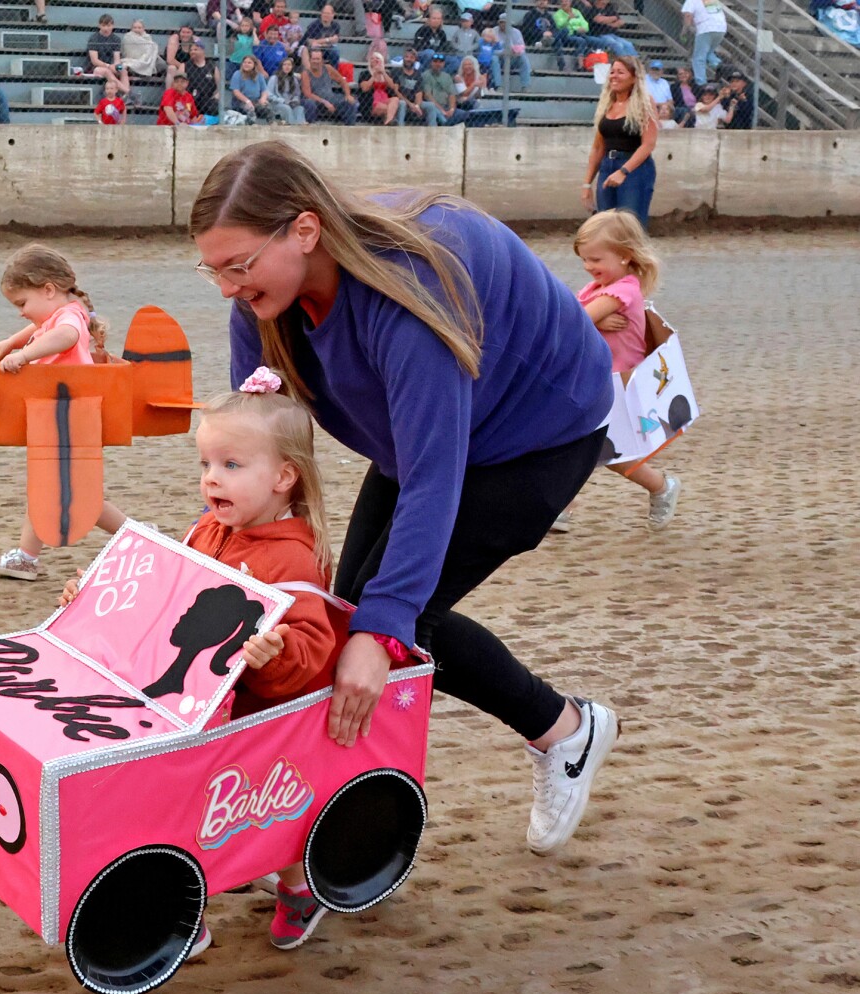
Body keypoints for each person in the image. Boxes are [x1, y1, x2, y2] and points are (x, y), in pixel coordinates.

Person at [190, 140, 621, 857]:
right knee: (336, 618)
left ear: (304, 230)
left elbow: (433, 477)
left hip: (538, 432)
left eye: (239, 266)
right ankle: (323, 828)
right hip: (417, 430)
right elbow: (254, 447)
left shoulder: (407, 292)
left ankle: (566, 732)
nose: (228, 287)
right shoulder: (262, 302)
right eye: (213, 270)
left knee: (388, 625)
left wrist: (380, 631)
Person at [59, 369, 345, 955]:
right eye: (206, 465)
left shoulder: (292, 560)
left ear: (283, 477)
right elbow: (167, 597)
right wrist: (97, 595)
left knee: (276, 811)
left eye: (231, 466)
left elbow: (314, 653)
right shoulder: (209, 530)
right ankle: (188, 910)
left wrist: (276, 652)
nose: (212, 479)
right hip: (195, 708)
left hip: (263, 719)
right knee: (184, 806)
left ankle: (298, 888)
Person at [0, 244, 123, 581]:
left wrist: (26, 356)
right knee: (57, 489)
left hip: (71, 416)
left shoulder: (70, 315)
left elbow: (66, 335)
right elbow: (41, 328)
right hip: (61, 415)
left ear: (48, 290)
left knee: (67, 492)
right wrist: (13, 342)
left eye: (22, 304)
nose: (21, 312)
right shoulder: (61, 311)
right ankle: (26, 556)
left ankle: (137, 536)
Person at [571, 210, 680, 530]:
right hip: (596, 380)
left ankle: (662, 486)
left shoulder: (625, 290)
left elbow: (575, 320)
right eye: (584, 261)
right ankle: (561, 505)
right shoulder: (597, 287)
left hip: (618, 384)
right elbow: (580, 314)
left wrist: (594, 318)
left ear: (624, 256)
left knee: (606, 454)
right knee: (585, 448)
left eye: (595, 259)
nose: (589, 267)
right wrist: (595, 318)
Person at [581, 54, 658, 227]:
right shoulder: (607, 104)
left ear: (633, 78)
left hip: (634, 169)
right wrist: (587, 184)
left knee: (630, 227)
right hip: (607, 166)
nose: (614, 76)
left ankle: (635, 255)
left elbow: (648, 144)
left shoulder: (644, 103)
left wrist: (624, 171)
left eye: (620, 72)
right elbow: (598, 147)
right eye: (612, 72)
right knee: (607, 226)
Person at [301, 45, 356, 123]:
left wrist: (348, 95)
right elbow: (308, 94)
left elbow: (342, 81)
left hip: (331, 98)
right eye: (313, 59)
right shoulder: (306, 73)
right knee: (310, 103)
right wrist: (325, 102)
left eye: (318, 59)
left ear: (322, 60)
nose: (316, 61)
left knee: (351, 102)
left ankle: (350, 127)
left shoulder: (328, 68)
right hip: (317, 101)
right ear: (310, 60)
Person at [681, 0, 726, 84]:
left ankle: (701, 83)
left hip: (705, 28)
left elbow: (688, 15)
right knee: (709, 52)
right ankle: (720, 66)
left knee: (698, 58)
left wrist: (684, 31)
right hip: (721, 28)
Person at [361, 49, 406, 124]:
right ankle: (390, 120)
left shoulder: (388, 73)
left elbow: (392, 86)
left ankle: (388, 121)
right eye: (372, 58)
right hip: (372, 103)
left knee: (395, 99)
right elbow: (365, 88)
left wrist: (383, 73)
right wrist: (374, 74)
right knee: (389, 109)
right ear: (369, 62)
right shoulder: (365, 74)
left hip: (385, 99)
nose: (375, 60)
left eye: (377, 58)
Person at [86, 14, 128, 95]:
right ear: (99, 26)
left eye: (108, 26)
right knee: (107, 71)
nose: (106, 28)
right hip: (95, 68)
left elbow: (117, 59)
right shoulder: (94, 38)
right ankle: (128, 93)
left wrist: (117, 67)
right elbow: (94, 61)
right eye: (103, 25)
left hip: (111, 66)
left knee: (123, 70)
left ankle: (125, 97)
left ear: (112, 26)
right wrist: (108, 66)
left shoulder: (116, 39)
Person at [419, 50, 464, 125]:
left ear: (444, 64)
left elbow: (452, 95)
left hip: (447, 107)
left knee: (464, 114)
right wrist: (442, 110)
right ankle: (446, 125)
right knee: (437, 113)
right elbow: (428, 96)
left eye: (440, 62)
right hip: (433, 107)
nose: (438, 64)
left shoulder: (447, 76)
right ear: (431, 63)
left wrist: (452, 109)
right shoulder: (425, 75)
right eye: (435, 61)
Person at [229, 53, 273, 121]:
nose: (246, 64)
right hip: (241, 102)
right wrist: (247, 101)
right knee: (250, 108)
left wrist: (263, 99)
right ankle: (252, 125)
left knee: (267, 106)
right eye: (244, 62)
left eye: (249, 63)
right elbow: (236, 92)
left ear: (254, 65)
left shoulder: (259, 75)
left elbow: (264, 90)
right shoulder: (237, 74)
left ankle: (272, 125)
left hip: (256, 100)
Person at [549, 0, 590, 70]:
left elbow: (585, 24)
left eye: (566, 1)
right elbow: (559, 25)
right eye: (562, 1)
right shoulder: (557, 14)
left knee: (582, 40)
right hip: (563, 37)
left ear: (570, 2)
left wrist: (583, 29)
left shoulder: (576, 12)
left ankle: (580, 65)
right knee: (565, 30)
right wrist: (568, 19)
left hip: (576, 35)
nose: (564, 3)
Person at [184, 41, 219, 115]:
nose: (192, 52)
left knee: (213, 108)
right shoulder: (185, 66)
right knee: (187, 109)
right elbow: (178, 84)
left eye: (195, 50)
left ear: (202, 51)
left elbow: (219, 86)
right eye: (191, 50)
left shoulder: (212, 66)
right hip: (189, 99)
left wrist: (216, 97)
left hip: (207, 99)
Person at [269, 54, 305, 122]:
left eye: (289, 65)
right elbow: (269, 95)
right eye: (284, 64)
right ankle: (292, 125)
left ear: (292, 67)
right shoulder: (274, 78)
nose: (287, 67)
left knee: (300, 108)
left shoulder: (294, 79)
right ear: (281, 66)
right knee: (286, 108)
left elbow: (297, 94)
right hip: (277, 104)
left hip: (290, 103)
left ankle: (300, 126)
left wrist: (295, 100)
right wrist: (283, 101)